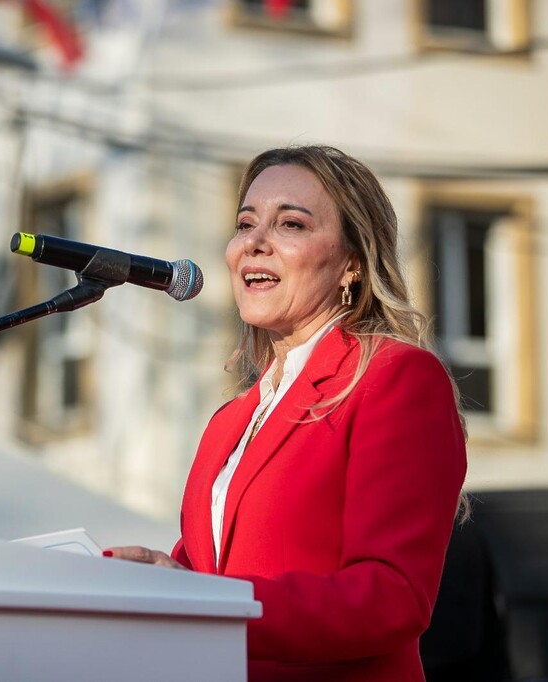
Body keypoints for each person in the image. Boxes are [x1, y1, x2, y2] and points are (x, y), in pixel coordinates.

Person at [103, 145, 468, 681]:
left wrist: (207, 601)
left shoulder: (394, 379)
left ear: (352, 263)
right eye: (245, 223)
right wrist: (137, 583)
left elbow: (392, 596)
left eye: (290, 224)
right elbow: (202, 575)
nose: (254, 242)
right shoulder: (230, 420)